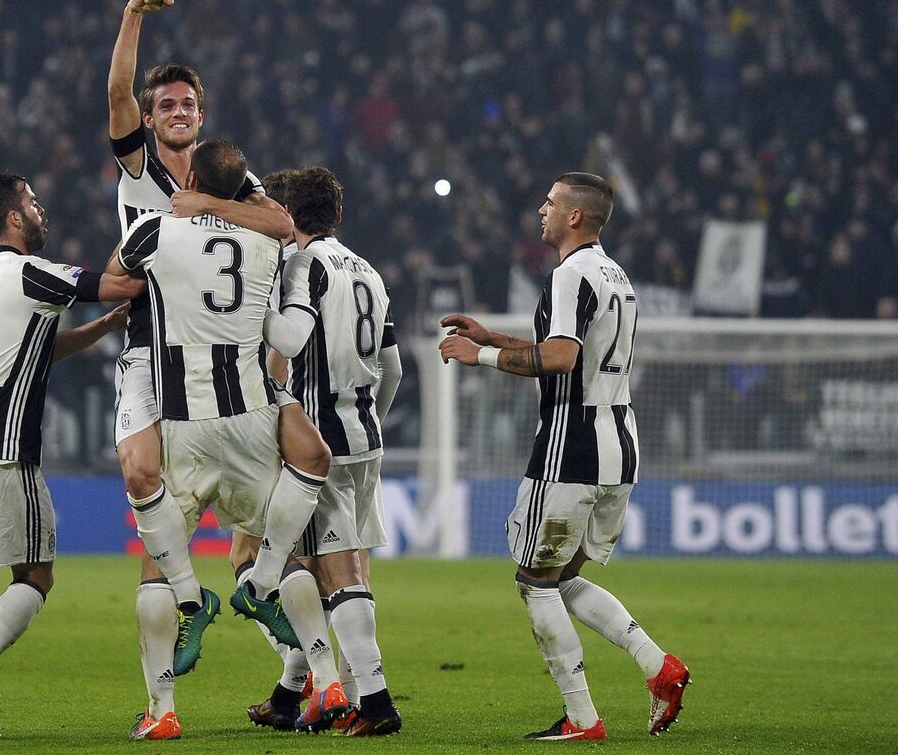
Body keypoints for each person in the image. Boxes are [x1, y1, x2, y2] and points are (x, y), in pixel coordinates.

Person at [106, 0, 331, 737]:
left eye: (188, 105)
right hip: (151, 349)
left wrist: (204, 205)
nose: (177, 112)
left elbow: (280, 222)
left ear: (201, 117)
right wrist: (132, 17)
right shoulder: (137, 169)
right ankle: (169, 689)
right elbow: (116, 93)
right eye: (165, 104)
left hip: (221, 360)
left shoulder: (226, 176)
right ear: (150, 117)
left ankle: (312, 676)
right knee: (141, 475)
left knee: (265, 521)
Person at [439, 172, 691, 741]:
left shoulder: (569, 274)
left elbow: (559, 359)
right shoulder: (615, 275)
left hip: (570, 448)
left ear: (575, 216)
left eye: (550, 202)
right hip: (618, 446)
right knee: (563, 576)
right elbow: (573, 352)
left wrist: (478, 356)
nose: (541, 209)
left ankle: (582, 718)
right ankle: (660, 668)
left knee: (535, 580)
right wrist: (495, 337)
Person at [0, 173, 140, 739]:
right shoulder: (31, 271)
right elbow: (122, 283)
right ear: (14, 218)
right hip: (0, 446)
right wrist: (151, 238)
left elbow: (35, 348)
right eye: (33, 202)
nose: (43, 209)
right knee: (37, 576)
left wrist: (101, 327)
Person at [248, 167, 404, 736]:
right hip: (364, 437)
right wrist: (367, 418)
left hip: (318, 444)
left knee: (326, 571)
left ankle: (374, 704)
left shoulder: (300, 267)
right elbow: (393, 368)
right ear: (337, 214)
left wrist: (250, 309)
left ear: (288, 216)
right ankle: (308, 696)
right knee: (346, 568)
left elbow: (287, 343)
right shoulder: (369, 272)